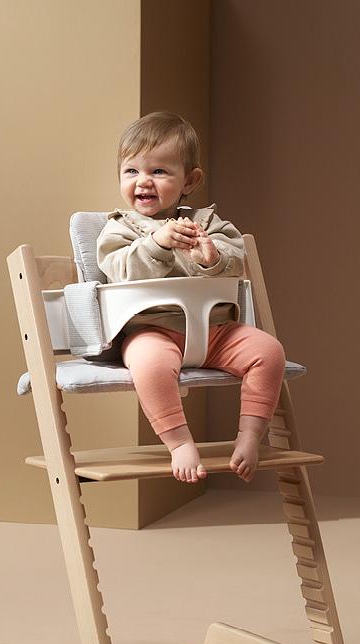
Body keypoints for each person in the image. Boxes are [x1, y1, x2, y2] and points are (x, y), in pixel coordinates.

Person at [97, 111, 285, 484]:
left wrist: (212, 257)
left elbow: (237, 263)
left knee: (270, 352)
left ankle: (249, 436)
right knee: (148, 366)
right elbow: (118, 269)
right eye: (131, 171)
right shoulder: (119, 227)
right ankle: (179, 442)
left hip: (215, 330)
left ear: (190, 180)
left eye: (159, 171)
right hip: (152, 329)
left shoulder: (210, 224)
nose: (143, 181)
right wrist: (155, 244)